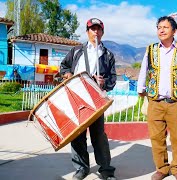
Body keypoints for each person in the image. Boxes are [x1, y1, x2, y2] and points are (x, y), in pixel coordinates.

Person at [137, 16, 177, 180]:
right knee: (156, 137)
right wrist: (140, 89)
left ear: (174, 31)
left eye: (165, 27)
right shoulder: (150, 49)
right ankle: (162, 168)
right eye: (159, 27)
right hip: (155, 102)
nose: (161, 30)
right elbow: (144, 70)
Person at [60, 18, 117, 180]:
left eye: (99, 29)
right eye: (93, 29)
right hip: (76, 97)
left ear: (102, 32)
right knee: (77, 135)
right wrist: (68, 74)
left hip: (96, 100)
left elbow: (112, 79)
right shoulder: (76, 51)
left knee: (98, 135)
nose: (96, 32)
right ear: (87, 32)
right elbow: (63, 67)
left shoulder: (107, 55)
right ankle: (81, 168)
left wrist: (103, 82)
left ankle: (106, 169)